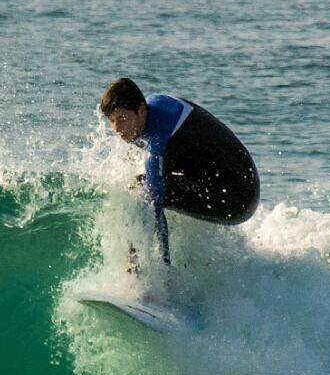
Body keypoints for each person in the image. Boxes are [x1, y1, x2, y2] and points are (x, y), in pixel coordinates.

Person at [99, 77, 259, 266]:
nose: (118, 129)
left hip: (238, 199)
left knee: (138, 189)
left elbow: (154, 210)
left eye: (123, 119)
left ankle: (140, 272)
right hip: (235, 181)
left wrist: (163, 266)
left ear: (141, 110)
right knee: (151, 182)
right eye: (112, 121)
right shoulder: (155, 106)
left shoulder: (159, 141)